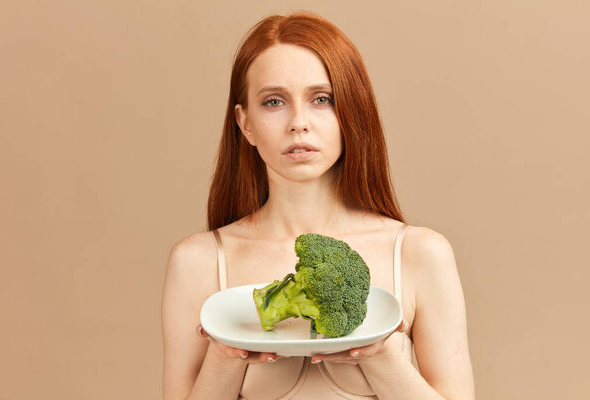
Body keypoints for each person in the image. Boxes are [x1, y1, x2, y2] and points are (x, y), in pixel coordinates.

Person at [161, 11, 475, 400]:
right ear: (245, 124)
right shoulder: (198, 262)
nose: (299, 122)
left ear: (351, 112)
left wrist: (380, 358)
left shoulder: (420, 254)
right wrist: (225, 357)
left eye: (321, 99)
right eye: (274, 101)